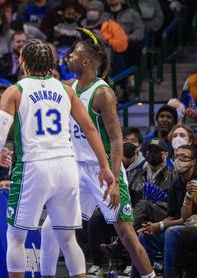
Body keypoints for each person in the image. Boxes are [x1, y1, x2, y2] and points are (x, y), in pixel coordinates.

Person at [0, 39, 115, 276]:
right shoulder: (65, 90)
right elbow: (90, 129)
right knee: (68, 239)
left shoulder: (15, 90)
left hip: (34, 167)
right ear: (51, 63)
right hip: (67, 166)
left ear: (23, 61)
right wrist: (105, 165)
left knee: (16, 237)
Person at [40, 33, 156, 278]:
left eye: (73, 53)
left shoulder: (103, 93)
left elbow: (116, 140)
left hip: (102, 170)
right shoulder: (69, 88)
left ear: (86, 61)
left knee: (126, 234)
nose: (68, 56)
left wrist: (113, 180)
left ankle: (150, 277)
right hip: (76, 169)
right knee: (51, 226)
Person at [136, 144, 197, 278]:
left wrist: (161, 225)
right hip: (180, 226)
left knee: (171, 232)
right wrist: (155, 226)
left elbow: (189, 219)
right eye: (177, 156)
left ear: (193, 162)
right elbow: (172, 216)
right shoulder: (176, 183)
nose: (179, 160)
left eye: (184, 157)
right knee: (144, 236)